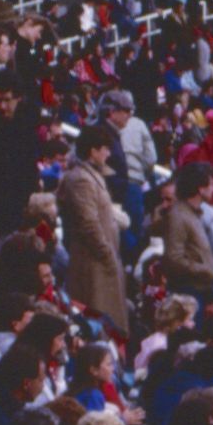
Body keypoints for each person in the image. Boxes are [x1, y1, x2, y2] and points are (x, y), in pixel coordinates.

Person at [59, 125, 129, 329]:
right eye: (105, 149)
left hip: (101, 259)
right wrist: (106, 252)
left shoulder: (90, 175)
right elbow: (87, 222)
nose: (108, 153)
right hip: (93, 262)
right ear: (93, 151)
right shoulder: (81, 179)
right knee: (98, 317)